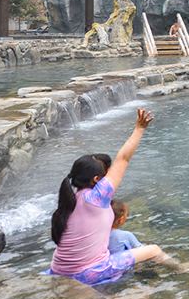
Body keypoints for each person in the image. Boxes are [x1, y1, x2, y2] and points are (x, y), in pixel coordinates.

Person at [48, 109, 173, 285]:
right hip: (88, 273)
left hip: (57, 271)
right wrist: (139, 128)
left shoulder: (68, 201)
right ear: (96, 180)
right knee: (153, 250)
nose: (109, 178)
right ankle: (185, 269)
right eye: (105, 176)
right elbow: (123, 159)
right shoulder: (98, 196)